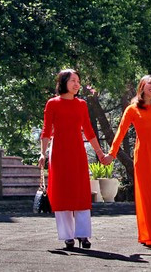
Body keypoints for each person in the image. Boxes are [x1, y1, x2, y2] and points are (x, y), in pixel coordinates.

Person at [39, 68, 108, 250]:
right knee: (62, 193)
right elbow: (46, 131)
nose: (77, 84)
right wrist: (42, 153)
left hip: (77, 153)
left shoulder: (81, 105)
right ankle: (67, 236)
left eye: (78, 81)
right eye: (73, 81)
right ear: (63, 83)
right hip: (59, 153)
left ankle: (83, 235)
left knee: (80, 192)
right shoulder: (52, 104)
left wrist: (100, 153)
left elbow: (89, 131)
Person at [106, 74, 151, 249]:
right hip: (143, 157)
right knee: (147, 197)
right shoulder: (132, 109)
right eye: (149, 84)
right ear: (142, 87)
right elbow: (120, 132)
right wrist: (111, 154)